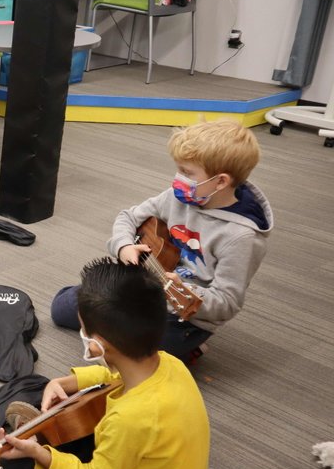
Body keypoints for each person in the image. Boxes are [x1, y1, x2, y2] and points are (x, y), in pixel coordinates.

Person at [0, 258, 210, 469]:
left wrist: (40, 455)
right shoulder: (170, 363)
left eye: (82, 329)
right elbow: (113, 374)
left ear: (96, 346)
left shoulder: (129, 418)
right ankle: (52, 442)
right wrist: (65, 383)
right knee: (74, 418)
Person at [50, 121, 272, 364]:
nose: (178, 179)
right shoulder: (177, 198)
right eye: (178, 169)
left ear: (220, 182)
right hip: (139, 286)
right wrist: (124, 246)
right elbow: (128, 217)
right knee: (61, 308)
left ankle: (186, 346)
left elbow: (227, 303)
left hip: (183, 316)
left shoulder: (241, 237)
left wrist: (187, 292)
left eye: (187, 173)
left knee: (136, 352)